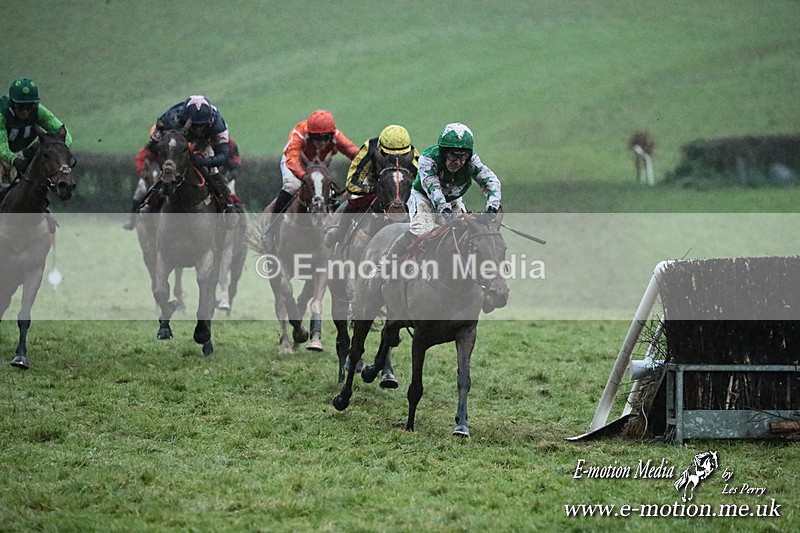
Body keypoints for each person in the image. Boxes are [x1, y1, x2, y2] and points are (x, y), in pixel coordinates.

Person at [397, 122, 501, 252]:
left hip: (452, 200)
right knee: (421, 231)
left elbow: (491, 182)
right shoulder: (427, 159)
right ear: (444, 153)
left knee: (469, 232)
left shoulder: (472, 161)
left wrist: (492, 209)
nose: (458, 162)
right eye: (453, 155)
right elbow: (434, 191)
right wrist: (449, 216)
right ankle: (385, 263)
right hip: (424, 199)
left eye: (463, 156)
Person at [261, 109, 359, 243]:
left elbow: (354, 152)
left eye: (326, 138)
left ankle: (337, 231)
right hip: (295, 163)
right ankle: (272, 229)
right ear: (310, 134)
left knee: (329, 192)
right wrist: (303, 177)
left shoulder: (337, 136)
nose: (323, 142)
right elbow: (292, 159)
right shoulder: (299, 133)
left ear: (332, 134)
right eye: (318, 138)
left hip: (319, 167)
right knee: (292, 185)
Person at [139, 95, 240, 217]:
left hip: (205, 144)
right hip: (180, 141)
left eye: (202, 125)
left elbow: (223, 156)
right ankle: (151, 201)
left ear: (210, 121)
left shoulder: (218, 124)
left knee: (213, 170)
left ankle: (227, 204)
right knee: (170, 166)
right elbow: (152, 146)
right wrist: (174, 156)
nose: (198, 129)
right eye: (195, 126)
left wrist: (202, 161)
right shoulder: (171, 118)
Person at [323, 124, 419, 248]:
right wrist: (374, 189)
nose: (396, 159)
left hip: (401, 190)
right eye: (390, 155)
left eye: (401, 156)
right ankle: (339, 232)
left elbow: (421, 185)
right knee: (352, 202)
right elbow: (352, 184)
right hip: (373, 185)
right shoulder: (369, 149)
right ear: (380, 149)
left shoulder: (414, 155)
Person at [0, 77, 72, 185]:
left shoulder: (39, 112)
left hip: (18, 155)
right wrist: (15, 160)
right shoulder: (2, 114)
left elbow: (64, 135)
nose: (25, 112)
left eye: (29, 107)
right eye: (20, 107)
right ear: (12, 104)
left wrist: (60, 152)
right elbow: (1, 145)